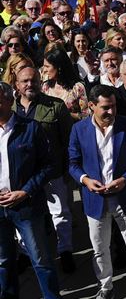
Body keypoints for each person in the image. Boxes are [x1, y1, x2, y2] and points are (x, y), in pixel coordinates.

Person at [68, 84, 126, 299]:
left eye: (113, 106)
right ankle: (105, 287)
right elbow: (73, 163)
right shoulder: (79, 130)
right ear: (91, 106)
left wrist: (125, 180)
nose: (111, 112)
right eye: (105, 108)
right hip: (94, 200)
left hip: (125, 197)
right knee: (99, 248)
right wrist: (85, 180)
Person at [0, 81, 62, 299]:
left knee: (40, 259)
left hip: (26, 205)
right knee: (3, 260)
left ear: (9, 100)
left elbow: (49, 165)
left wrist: (25, 191)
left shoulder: (30, 128)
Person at [13, 66, 77, 273]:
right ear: (17, 84)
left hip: (52, 171)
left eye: (33, 80)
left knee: (60, 213)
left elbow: (69, 140)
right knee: (22, 215)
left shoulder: (55, 106)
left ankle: (65, 251)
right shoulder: (10, 109)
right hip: (22, 175)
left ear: (40, 82)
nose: (30, 84)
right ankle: (24, 253)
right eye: (25, 81)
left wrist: (68, 169)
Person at [42, 47, 90, 120]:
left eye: (47, 66)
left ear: (59, 67)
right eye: (44, 66)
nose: (44, 70)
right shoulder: (45, 87)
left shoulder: (77, 88)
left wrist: (66, 114)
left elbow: (86, 115)